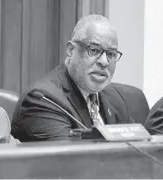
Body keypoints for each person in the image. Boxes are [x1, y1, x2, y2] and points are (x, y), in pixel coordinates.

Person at [11, 14, 142, 142]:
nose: (104, 61)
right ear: (71, 50)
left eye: (111, 54)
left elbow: (137, 151)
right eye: (94, 50)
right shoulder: (43, 101)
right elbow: (71, 160)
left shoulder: (115, 98)